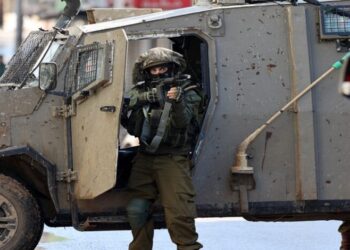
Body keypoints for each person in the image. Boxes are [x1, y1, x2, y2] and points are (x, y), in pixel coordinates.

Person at [125, 47, 203, 250]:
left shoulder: (188, 91)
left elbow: (183, 123)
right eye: (154, 70)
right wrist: (146, 99)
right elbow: (127, 116)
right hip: (145, 157)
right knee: (137, 209)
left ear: (172, 68)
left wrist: (175, 102)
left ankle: (188, 247)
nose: (159, 73)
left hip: (173, 158)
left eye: (163, 68)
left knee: (179, 211)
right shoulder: (140, 92)